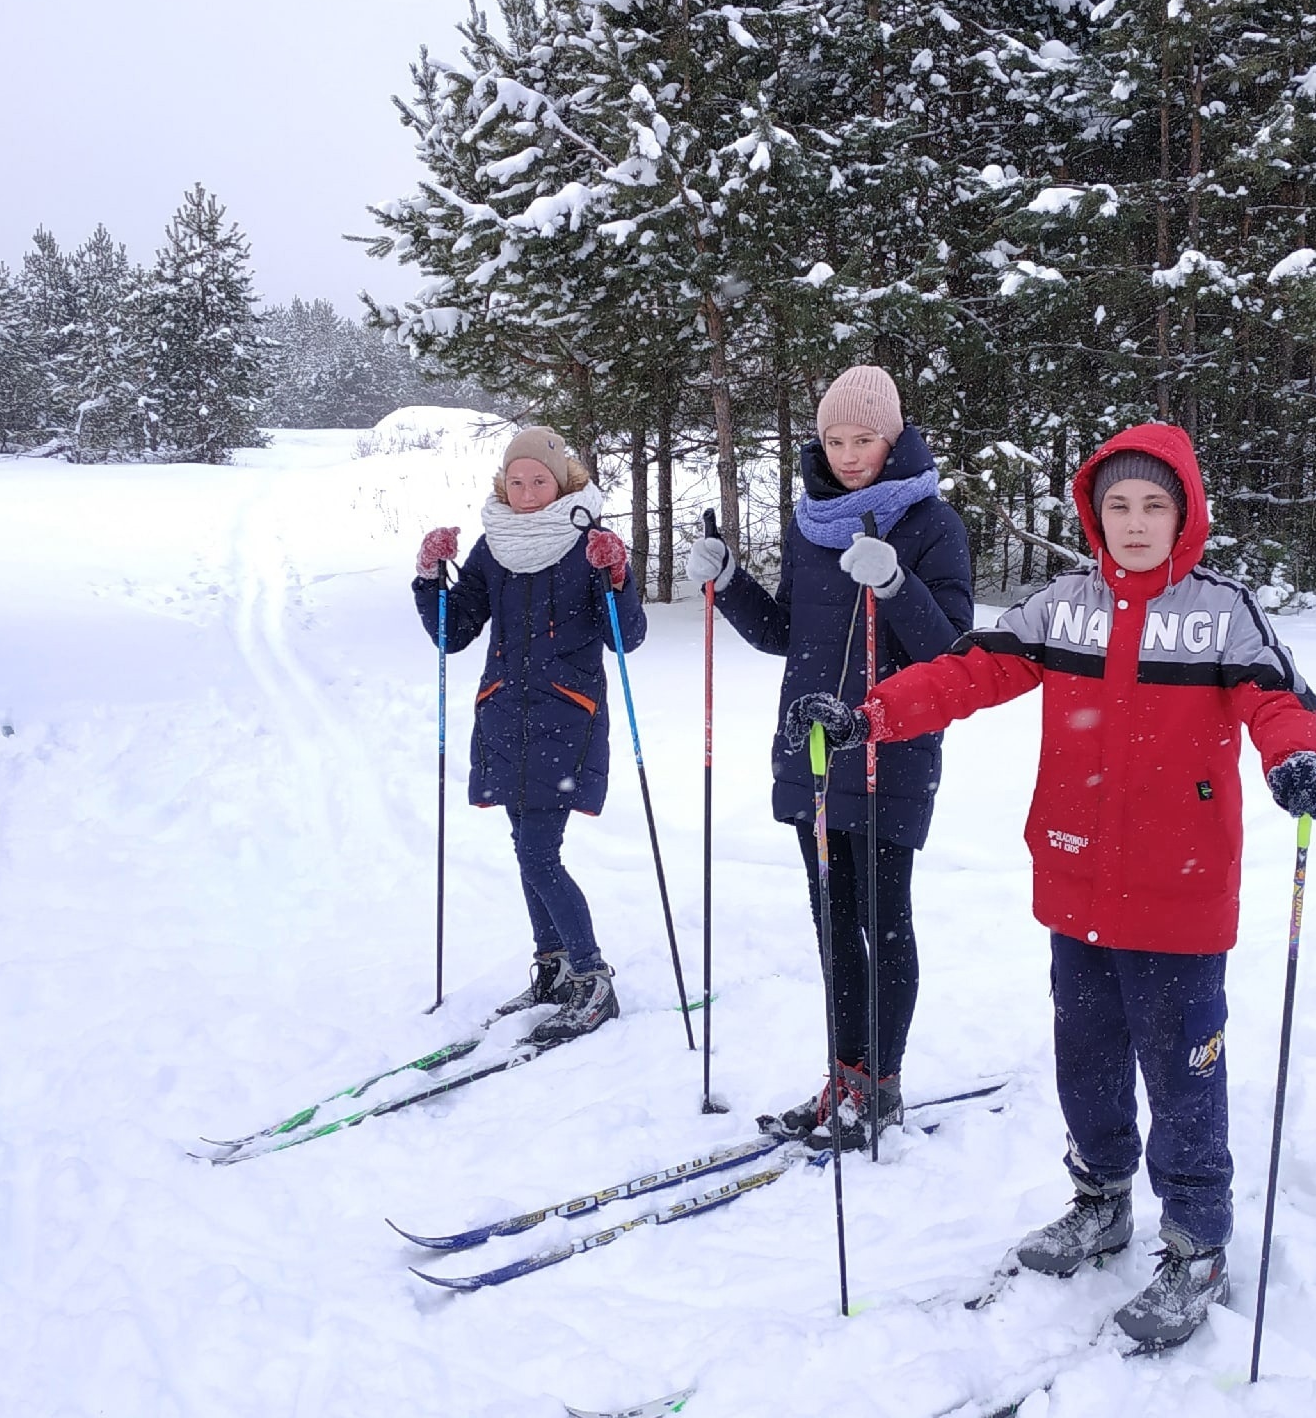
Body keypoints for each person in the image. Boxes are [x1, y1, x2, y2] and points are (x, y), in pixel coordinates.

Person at [785, 423, 1316, 1349]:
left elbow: (1282, 702)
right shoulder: (1063, 607)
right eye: (1117, 505)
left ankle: (1198, 1237)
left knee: (1182, 1070)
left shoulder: (1223, 612)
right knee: (1084, 1057)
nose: (1133, 523)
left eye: (1152, 506)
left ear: (1185, 515)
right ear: (1093, 515)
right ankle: (1100, 1198)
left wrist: (1297, 760)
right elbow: (969, 673)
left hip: (1180, 890)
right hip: (1078, 878)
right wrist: (870, 716)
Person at [683, 365, 974, 1149]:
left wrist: (895, 583)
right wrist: (730, 581)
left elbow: (951, 652)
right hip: (811, 748)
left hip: (891, 748)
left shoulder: (933, 525)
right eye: (836, 439)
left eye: (865, 439)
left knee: (884, 923)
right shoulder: (812, 522)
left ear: (895, 437)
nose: (849, 455)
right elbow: (787, 634)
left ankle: (880, 1087)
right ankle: (843, 1078)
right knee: (834, 928)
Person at [414, 426, 641, 1044]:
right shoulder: (493, 549)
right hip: (504, 719)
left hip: (566, 721)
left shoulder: (587, 544)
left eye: (539, 480)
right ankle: (555, 967)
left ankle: (593, 977)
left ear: (564, 481)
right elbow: (452, 631)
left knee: (539, 854)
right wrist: (430, 577)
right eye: (516, 481)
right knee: (527, 851)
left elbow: (627, 637)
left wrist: (617, 576)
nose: (527, 491)